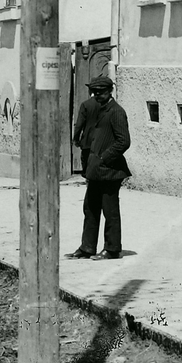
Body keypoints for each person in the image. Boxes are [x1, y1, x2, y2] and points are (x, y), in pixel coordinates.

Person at [68, 76, 129, 260]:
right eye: (94, 92)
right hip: (96, 170)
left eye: (100, 92)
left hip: (110, 170)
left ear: (110, 91)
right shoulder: (99, 110)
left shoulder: (116, 112)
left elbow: (124, 141)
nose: (96, 96)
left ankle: (112, 249)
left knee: (110, 211)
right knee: (90, 208)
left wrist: (104, 158)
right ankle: (87, 247)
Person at [72, 88, 101, 175]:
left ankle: (89, 180)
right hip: (102, 140)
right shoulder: (104, 104)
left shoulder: (86, 104)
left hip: (88, 140)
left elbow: (79, 124)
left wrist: (76, 139)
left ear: (89, 91)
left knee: (87, 163)